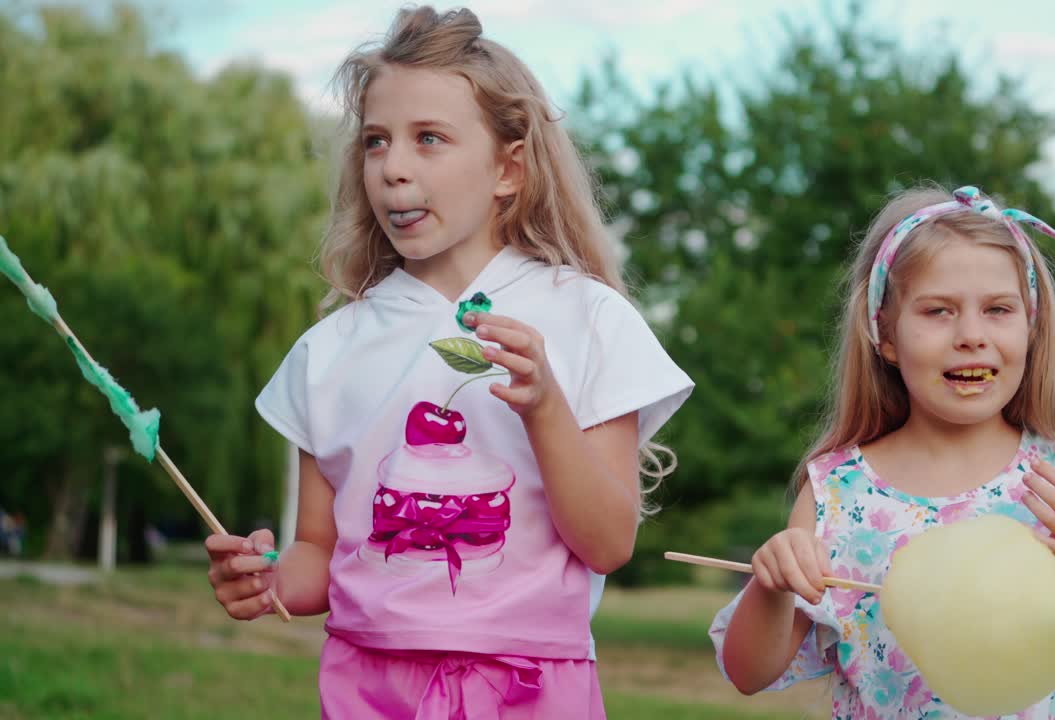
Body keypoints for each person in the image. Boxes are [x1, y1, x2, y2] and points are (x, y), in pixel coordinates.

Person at [204, 7, 692, 717]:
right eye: (376, 142)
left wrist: (546, 406)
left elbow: (609, 542)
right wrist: (265, 576)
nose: (393, 168)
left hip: (530, 684)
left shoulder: (590, 320)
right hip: (368, 685)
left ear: (508, 167)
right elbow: (318, 554)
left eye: (428, 139)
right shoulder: (328, 351)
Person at [711, 185, 1055, 718]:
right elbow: (748, 674)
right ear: (886, 334)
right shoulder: (839, 490)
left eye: (998, 310)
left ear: (1031, 329)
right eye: (938, 311)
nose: (970, 334)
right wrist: (771, 587)